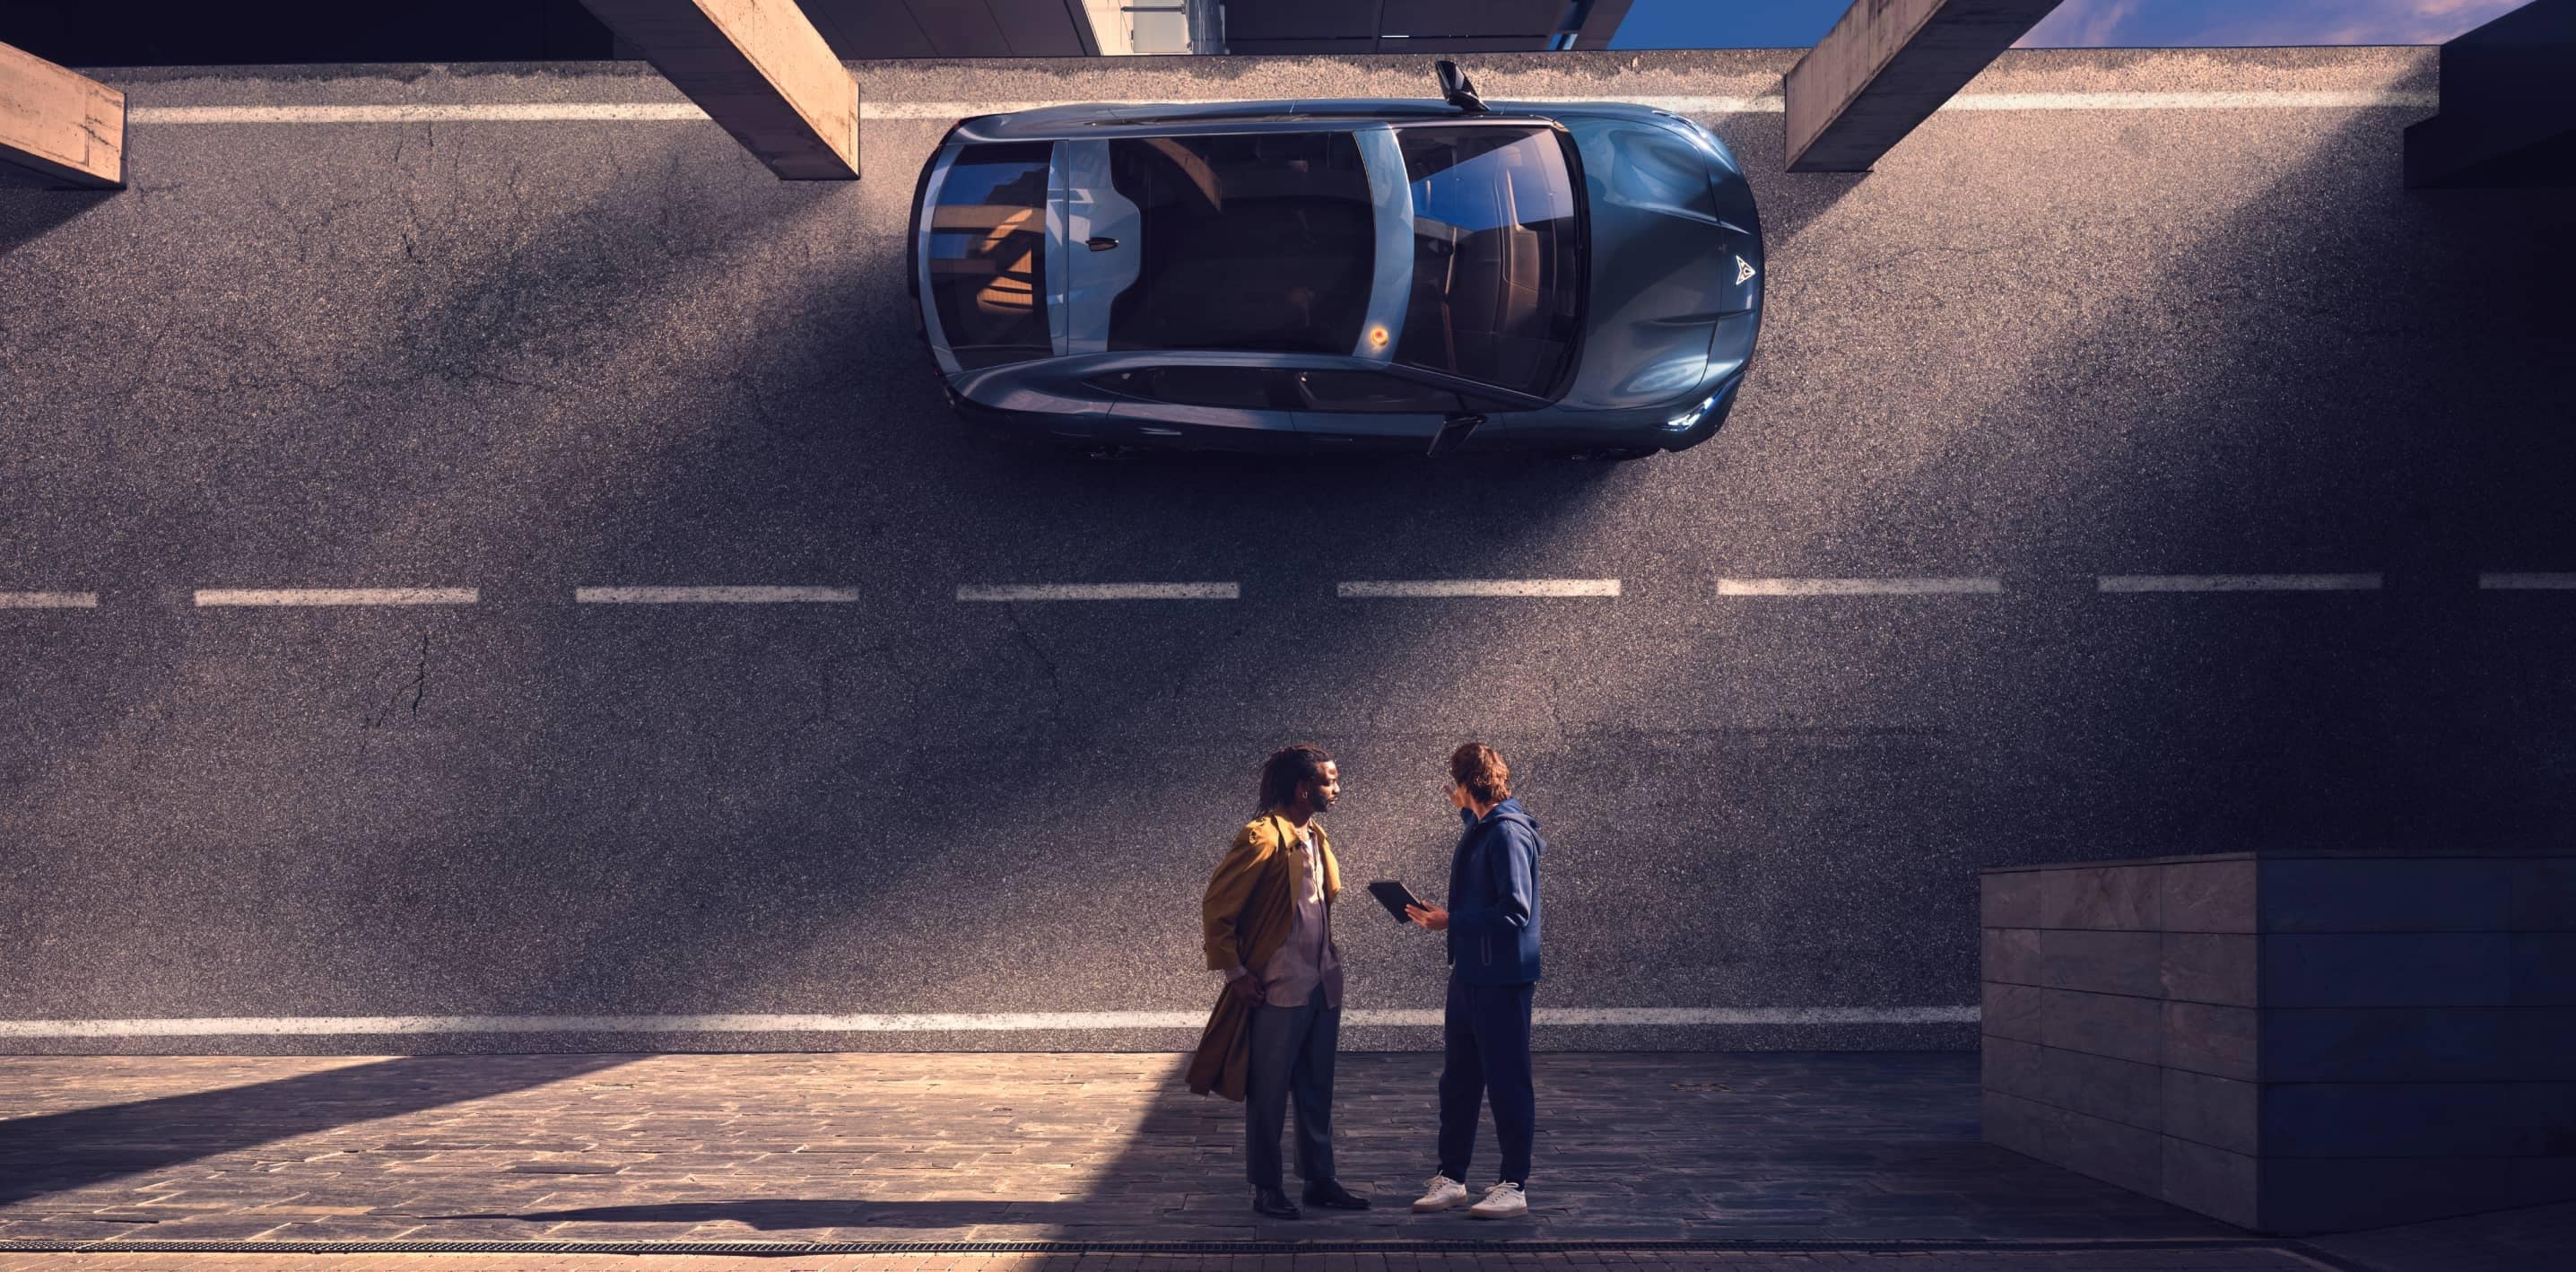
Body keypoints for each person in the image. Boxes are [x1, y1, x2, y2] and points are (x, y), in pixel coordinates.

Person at [1186, 744, 1372, 1219]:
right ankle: (1266, 1186)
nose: (1338, 788)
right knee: (1268, 1091)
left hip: (1322, 985)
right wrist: (1236, 973)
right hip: (1278, 987)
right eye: (1330, 780)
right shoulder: (1262, 839)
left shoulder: (1316, 836)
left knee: (1317, 1089)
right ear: (1303, 787)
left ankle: (1319, 1180)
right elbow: (1217, 907)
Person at [1405, 742, 1545, 1220]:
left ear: (1465, 783)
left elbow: (1516, 910)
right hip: (1470, 975)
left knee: (1508, 1082)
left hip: (1502, 980)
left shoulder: (1507, 832)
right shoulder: (1486, 826)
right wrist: (1466, 817)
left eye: (1457, 783)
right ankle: (1453, 1178)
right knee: (1459, 1082)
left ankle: (1514, 1184)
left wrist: (1452, 922)